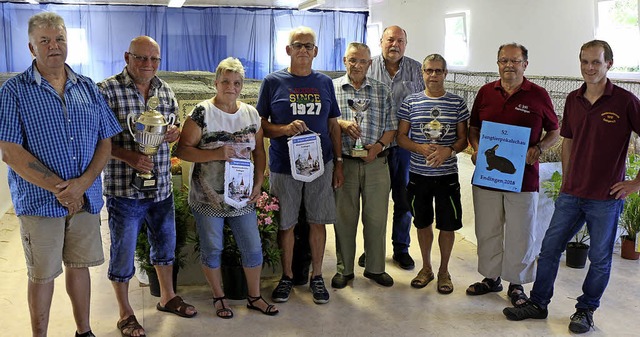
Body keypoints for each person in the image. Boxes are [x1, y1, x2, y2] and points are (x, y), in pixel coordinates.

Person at [503, 40, 640, 334]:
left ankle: (586, 310)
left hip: (606, 196)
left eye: (596, 62)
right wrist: (567, 178)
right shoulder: (573, 99)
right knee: (550, 248)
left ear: (609, 64)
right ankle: (539, 304)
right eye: (584, 62)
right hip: (572, 193)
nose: (589, 68)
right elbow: (569, 140)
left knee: (599, 258)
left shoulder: (626, 101)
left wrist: (636, 183)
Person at [0, 12, 121, 337]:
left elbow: (105, 140)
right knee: (42, 274)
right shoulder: (14, 91)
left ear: (68, 43)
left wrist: (82, 185)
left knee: (79, 267)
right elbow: (10, 151)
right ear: (31, 47)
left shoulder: (87, 88)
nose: (54, 46)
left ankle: (83, 331)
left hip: (85, 200)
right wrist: (61, 189)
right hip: (40, 202)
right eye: (45, 41)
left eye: (59, 39)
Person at [98, 36, 197, 337]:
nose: (148, 65)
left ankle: (167, 296)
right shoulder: (106, 90)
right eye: (141, 58)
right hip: (124, 190)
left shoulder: (165, 90)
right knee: (123, 251)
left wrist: (174, 132)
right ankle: (125, 312)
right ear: (127, 56)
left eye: (154, 60)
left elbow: (175, 124)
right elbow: (97, 139)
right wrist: (129, 156)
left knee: (165, 245)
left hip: (161, 187)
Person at [176, 57, 278, 318]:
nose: (230, 87)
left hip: (242, 197)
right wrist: (216, 153)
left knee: (252, 247)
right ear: (216, 83)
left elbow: (259, 153)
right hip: (207, 198)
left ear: (242, 85)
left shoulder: (251, 114)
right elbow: (183, 150)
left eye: (236, 82)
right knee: (213, 248)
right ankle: (219, 297)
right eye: (225, 81)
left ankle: (254, 297)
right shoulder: (201, 112)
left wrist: (258, 183)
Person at [466, 43, 560, 307]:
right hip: (487, 176)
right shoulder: (485, 92)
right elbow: (474, 127)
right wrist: (475, 148)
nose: (509, 65)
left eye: (515, 61)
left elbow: (554, 131)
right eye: (503, 60)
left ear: (525, 64)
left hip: (524, 178)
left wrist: (539, 148)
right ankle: (491, 278)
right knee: (487, 229)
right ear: (497, 63)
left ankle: (516, 283)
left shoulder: (538, 95)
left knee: (521, 232)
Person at [257, 26, 344, 305]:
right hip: (285, 165)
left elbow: (333, 125)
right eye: (298, 45)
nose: (303, 50)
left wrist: (339, 163)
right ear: (288, 50)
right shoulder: (273, 82)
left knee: (318, 221)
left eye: (309, 45)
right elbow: (261, 126)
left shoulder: (325, 83)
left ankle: (317, 276)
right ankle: (287, 276)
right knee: (287, 224)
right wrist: (284, 129)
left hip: (321, 165)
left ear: (316, 51)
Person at [396, 54, 469, 294]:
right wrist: (419, 148)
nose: (434, 75)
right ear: (422, 73)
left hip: (447, 176)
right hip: (418, 175)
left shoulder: (458, 103)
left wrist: (448, 151)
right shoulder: (411, 102)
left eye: (438, 71)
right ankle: (426, 268)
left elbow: (463, 139)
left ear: (446, 73)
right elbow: (401, 137)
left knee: (447, 225)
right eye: (429, 71)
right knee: (422, 222)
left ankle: (444, 271)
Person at [331, 42, 396, 288]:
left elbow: (392, 127)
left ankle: (375, 268)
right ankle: (344, 270)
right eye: (352, 60)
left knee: (377, 218)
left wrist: (378, 147)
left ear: (370, 64)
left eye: (363, 61)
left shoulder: (382, 91)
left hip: (376, 163)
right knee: (344, 218)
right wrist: (341, 123)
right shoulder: (332, 87)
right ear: (344, 61)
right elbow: (325, 121)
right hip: (344, 163)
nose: (357, 65)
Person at [364, 25, 425, 270]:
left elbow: (423, 103)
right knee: (373, 202)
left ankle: (401, 248)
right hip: (374, 146)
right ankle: (371, 250)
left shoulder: (416, 69)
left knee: (403, 199)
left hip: (403, 147)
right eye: (390, 40)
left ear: (405, 44)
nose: (395, 45)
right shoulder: (368, 66)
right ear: (381, 42)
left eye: (400, 40)